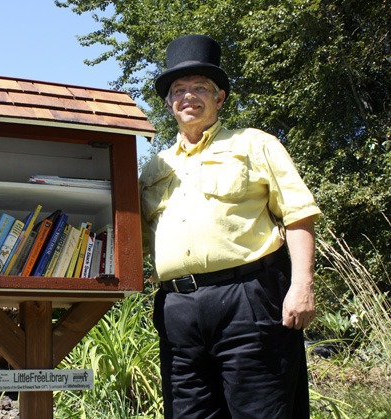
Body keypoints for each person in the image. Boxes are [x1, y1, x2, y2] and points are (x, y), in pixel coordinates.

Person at [139, 34, 321, 418]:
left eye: (199, 88)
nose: (188, 96)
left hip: (249, 300)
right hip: (177, 311)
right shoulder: (154, 167)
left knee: (261, 411)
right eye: (179, 89)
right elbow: (131, 237)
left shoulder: (255, 144)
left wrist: (302, 285)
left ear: (219, 97)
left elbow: (298, 213)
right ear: (169, 102)